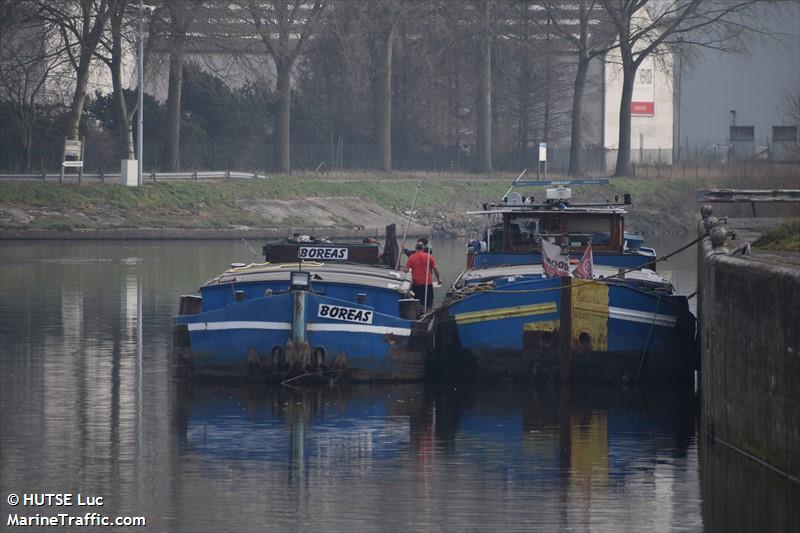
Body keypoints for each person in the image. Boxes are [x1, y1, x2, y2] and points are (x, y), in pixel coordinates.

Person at [402, 242, 441, 309]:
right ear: (423, 248)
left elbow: (406, 270)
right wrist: (438, 279)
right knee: (429, 302)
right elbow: (435, 268)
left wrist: (404, 268)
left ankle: (419, 314)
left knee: (418, 302)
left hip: (417, 285)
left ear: (415, 248)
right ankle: (428, 314)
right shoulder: (429, 256)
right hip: (427, 284)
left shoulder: (411, 258)